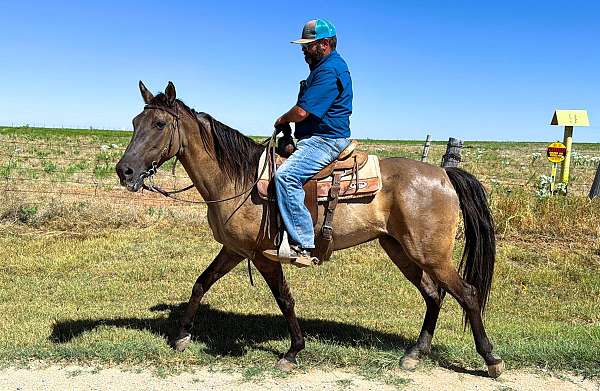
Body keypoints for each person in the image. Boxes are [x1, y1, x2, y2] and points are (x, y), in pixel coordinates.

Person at [264, 19, 353, 264]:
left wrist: (282, 118)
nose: (303, 50)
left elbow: (303, 112)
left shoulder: (329, 70)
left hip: (325, 140)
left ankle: (302, 243)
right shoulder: (321, 68)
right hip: (316, 137)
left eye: (308, 45)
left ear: (324, 44)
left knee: (286, 176)